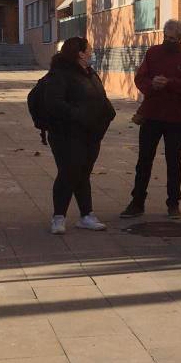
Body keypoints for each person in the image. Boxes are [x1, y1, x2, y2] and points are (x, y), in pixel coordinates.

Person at [120, 20, 181, 220]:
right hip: (151, 114)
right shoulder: (153, 52)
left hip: (175, 116)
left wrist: (170, 83)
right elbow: (140, 78)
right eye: (165, 36)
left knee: (174, 161)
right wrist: (151, 84)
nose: (168, 41)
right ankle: (137, 201)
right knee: (144, 160)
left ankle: (173, 203)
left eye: (172, 38)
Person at [44, 37, 116, 234]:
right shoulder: (60, 75)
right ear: (80, 53)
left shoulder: (90, 73)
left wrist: (108, 113)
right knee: (68, 172)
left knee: (83, 173)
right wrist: (79, 116)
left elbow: (100, 98)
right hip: (65, 134)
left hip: (90, 134)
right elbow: (55, 104)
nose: (92, 52)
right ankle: (58, 217)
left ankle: (86, 215)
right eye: (89, 50)